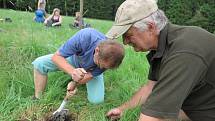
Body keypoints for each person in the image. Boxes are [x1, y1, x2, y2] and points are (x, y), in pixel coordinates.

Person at [105, 0, 215, 121]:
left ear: (150, 27)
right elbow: (150, 87)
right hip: (195, 108)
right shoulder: (161, 47)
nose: (125, 42)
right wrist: (122, 109)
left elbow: (151, 118)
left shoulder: (183, 52)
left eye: (128, 35)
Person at [32, 28, 125, 104]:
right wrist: (73, 72)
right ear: (97, 51)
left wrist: (75, 82)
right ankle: (37, 98)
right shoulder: (85, 37)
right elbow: (56, 57)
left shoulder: (109, 61)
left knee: (97, 101)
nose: (101, 68)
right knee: (39, 63)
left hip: (89, 70)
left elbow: (87, 77)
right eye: (100, 64)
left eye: (105, 67)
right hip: (74, 59)